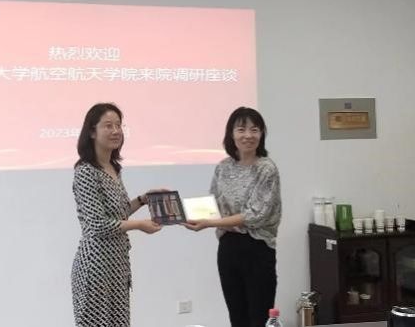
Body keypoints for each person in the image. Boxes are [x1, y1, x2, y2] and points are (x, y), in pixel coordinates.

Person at [184, 106, 281, 327]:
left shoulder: (266, 169)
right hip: (228, 247)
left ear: (262, 134)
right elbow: (214, 204)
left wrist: (210, 222)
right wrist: (187, 214)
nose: (248, 135)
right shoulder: (223, 167)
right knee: (236, 316)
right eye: (241, 129)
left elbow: (256, 215)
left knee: (259, 317)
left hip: (257, 247)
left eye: (254, 130)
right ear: (231, 134)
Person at [71, 103, 162, 327]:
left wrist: (143, 199)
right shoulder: (86, 171)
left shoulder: (113, 168)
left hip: (117, 265)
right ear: (92, 132)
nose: (116, 131)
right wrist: (139, 225)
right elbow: (97, 225)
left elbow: (118, 213)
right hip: (96, 266)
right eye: (108, 126)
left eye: (119, 125)